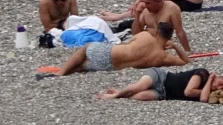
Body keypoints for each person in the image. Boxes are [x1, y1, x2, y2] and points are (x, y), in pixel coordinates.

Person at [58, 23, 189, 76]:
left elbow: (124, 44)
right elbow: (185, 61)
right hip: (111, 67)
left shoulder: (145, 36)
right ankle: (68, 71)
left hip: (111, 53)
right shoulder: (162, 57)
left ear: (157, 33)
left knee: (86, 48)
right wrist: (176, 46)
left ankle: (60, 73)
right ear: (170, 37)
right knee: (82, 66)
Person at [99, 0, 192, 52]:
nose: (146, 6)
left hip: (161, 44)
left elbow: (179, 31)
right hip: (145, 43)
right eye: (145, 2)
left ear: (159, 1)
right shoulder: (145, 11)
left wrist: (187, 50)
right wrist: (138, 14)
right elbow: (136, 33)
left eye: (149, 3)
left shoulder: (171, 8)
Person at [98, 68, 223, 102]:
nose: (219, 88)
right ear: (217, 77)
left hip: (165, 94)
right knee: (138, 87)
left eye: (222, 88)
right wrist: (210, 78)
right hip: (161, 77)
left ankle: (119, 92)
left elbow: (203, 98)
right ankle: (114, 96)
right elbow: (188, 91)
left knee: (139, 97)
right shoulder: (203, 74)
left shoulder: (208, 92)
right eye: (220, 83)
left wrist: (209, 86)